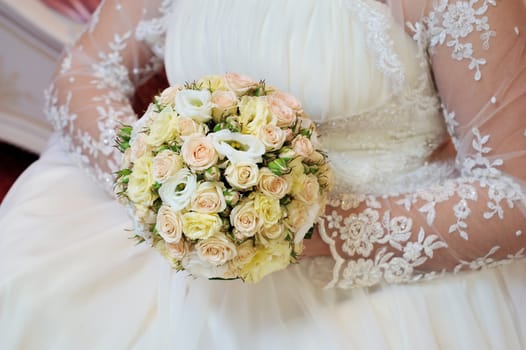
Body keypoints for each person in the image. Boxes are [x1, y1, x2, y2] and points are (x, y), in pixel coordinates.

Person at [1, 0, 525, 348]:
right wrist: (157, 181)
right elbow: (86, 70)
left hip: (368, 272)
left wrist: (294, 227)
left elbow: (514, 194)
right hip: (179, 232)